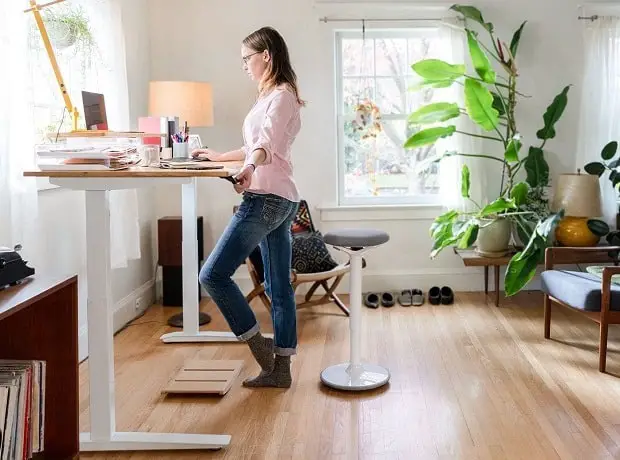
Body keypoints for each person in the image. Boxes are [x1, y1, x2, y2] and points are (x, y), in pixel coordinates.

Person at [192, 26, 304, 389]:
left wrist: (250, 168)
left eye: (247, 59)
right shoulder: (270, 95)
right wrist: (219, 156)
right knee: (278, 287)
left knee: (211, 275)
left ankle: (263, 354)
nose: (244, 66)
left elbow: (266, 145)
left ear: (266, 56)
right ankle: (281, 372)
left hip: (268, 199)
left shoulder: (282, 96)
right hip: (281, 199)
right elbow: (255, 143)